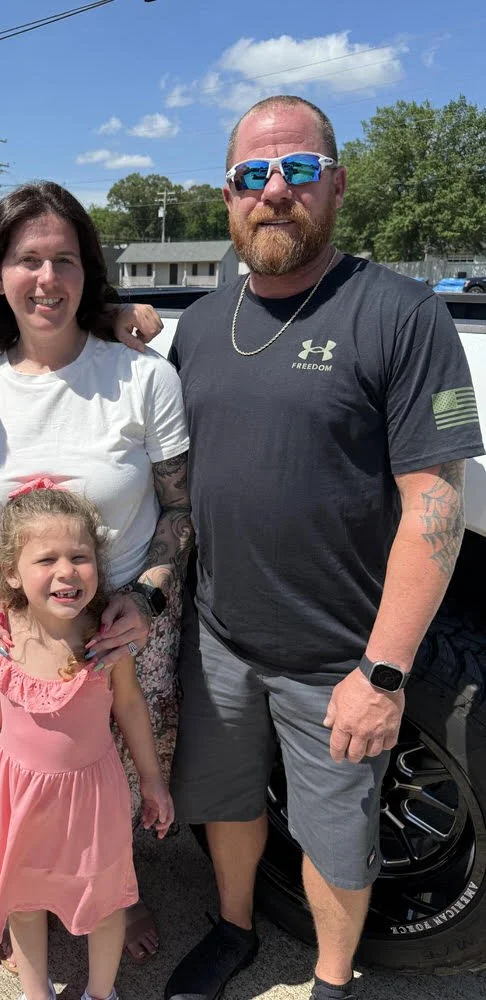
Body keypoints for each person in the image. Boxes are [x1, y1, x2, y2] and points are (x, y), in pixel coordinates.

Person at [164, 95, 484, 1000]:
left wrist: (383, 674)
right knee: (227, 804)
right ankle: (233, 929)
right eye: (253, 174)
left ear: (336, 185)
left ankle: (331, 981)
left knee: (338, 840)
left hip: (338, 654)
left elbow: (436, 501)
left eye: (299, 169)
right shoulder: (200, 325)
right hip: (218, 640)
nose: (275, 191)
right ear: (228, 197)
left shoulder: (402, 314)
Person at [0, 180, 192, 964]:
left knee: (118, 778)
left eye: (65, 260)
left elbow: (182, 508)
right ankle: (28, 897)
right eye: (28, 259)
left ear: (89, 272)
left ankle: (116, 894)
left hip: (124, 625)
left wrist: (146, 598)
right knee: (23, 772)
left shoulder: (143, 376)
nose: (47, 278)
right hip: (15, 629)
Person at [0, 483, 175, 1000]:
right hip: (18, 795)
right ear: (11, 572)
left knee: (105, 901)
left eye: (80, 557)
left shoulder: (107, 634)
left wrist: (153, 781)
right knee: (24, 901)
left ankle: (101, 992)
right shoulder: (0, 632)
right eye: (46, 559)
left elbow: (130, 707)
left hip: (92, 799)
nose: (66, 571)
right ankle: (36, 992)